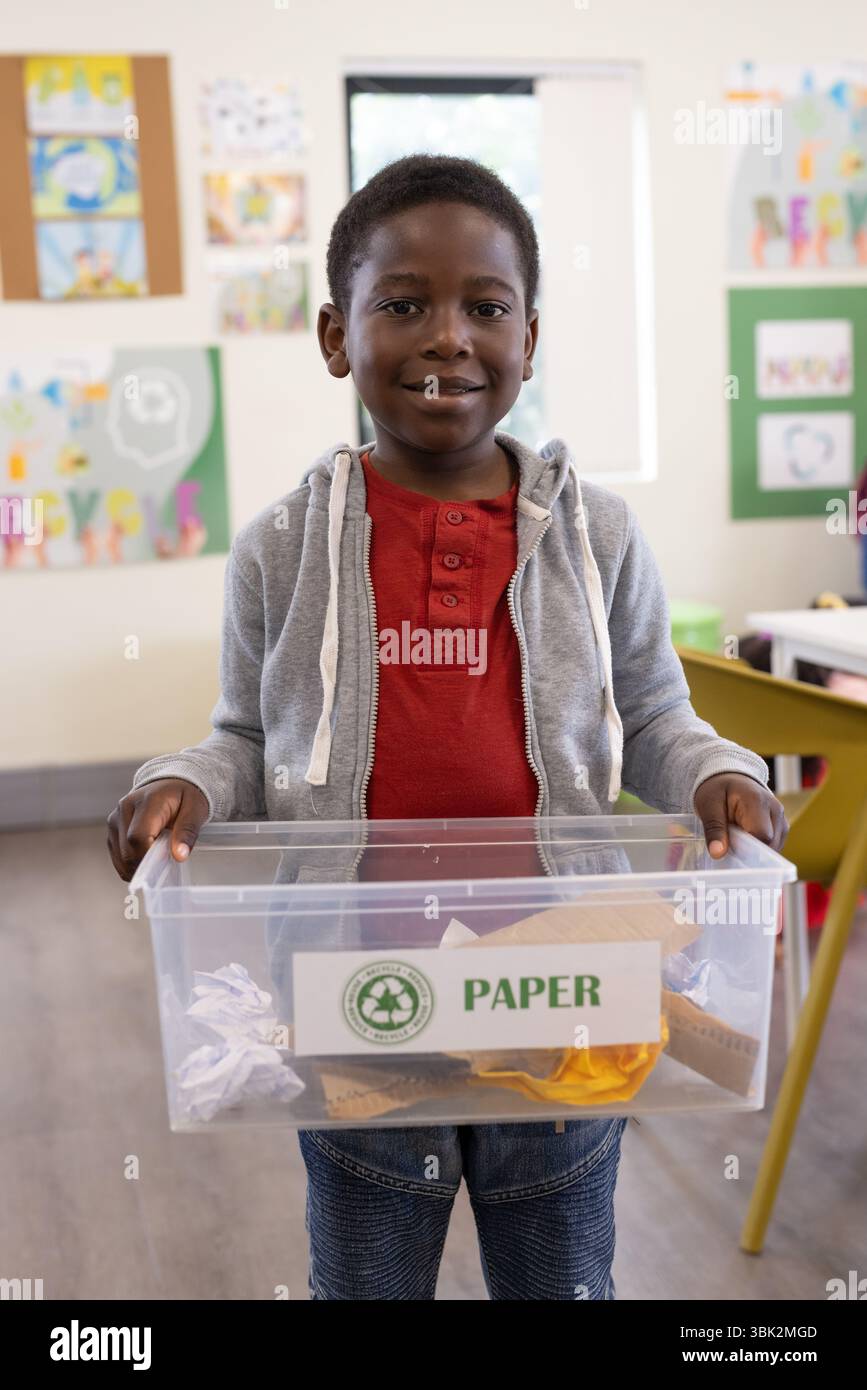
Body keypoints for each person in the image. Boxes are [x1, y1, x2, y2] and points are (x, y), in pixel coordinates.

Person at [107, 154, 788, 1300]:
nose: (447, 338)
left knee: (562, 1274)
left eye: (485, 306)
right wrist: (189, 783)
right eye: (403, 304)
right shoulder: (281, 546)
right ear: (336, 335)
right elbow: (241, 735)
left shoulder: (598, 537)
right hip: (358, 1001)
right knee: (368, 1277)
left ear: (530, 333)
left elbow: (659, 710)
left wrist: (717, 773)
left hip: (567, 1003)